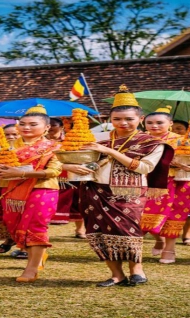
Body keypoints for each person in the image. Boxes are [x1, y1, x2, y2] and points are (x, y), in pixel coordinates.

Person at [65, 85, 173, 287]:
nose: (123, 123)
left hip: (129, 191)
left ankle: (136, 270)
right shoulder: (99, 140)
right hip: (94, 189)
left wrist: (111, 152)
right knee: (98, 231)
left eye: (129, 119)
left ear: (140, 120)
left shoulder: (152, 143)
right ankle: (116, 274)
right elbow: (74, 159)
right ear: (109, 120)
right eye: (117, 119)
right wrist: (69, 164)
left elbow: (143, 167)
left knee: (128, 230)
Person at [0, 105, 62, 283]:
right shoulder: (3, 146)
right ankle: (37, 257)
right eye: (22, 124)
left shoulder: (54, 147)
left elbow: (54, 171)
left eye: (32, 124)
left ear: (46, 127)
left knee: (35, 226)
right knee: (14, 226)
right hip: (10, 189)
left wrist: (21, 173)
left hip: (42, 188)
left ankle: (31, 269)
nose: (26, 127)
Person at [141, 107, 189, 263]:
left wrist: (180, 164)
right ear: (143, 123)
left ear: (170, 123)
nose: (154, 126)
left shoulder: (181, 141)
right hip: (146, 181)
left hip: (177, 182)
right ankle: (157, 240)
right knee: (142, 214)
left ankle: (170, 249)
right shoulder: (139, 139)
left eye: (159, 122)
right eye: (150, 123)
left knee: (174, 214)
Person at [171, 121, 190, 245]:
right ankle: (165, 236)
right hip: (169, 179)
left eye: (179, 128)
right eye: (173, 128)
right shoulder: (166, 142)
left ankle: (187, 234)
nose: (176, 131)